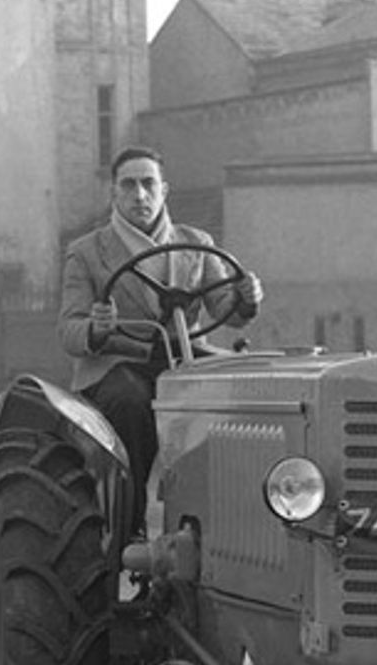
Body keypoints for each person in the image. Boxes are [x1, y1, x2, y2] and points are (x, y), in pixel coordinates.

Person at [58, 145, 262, 526]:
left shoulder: (196, 243)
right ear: (113, 194)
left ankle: (246, 512)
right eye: (129, 185)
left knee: (251, 388)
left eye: (148, 184)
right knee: (130, 400)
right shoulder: (86, 253)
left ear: (164, 190)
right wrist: (96, 329)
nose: (140, 195)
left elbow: (226, 312)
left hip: (184, 356)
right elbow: (69, 330)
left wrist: (245, 299)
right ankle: (129, 519)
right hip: (119, 363)